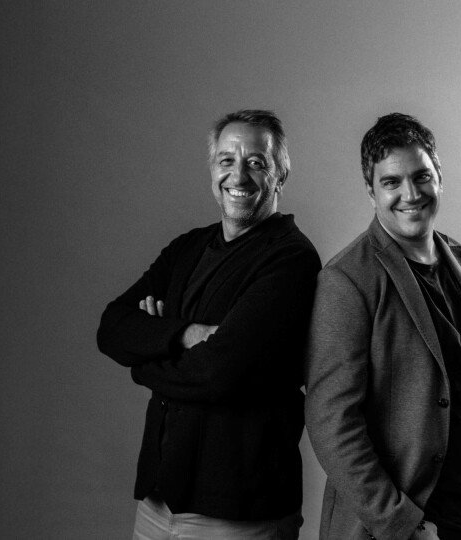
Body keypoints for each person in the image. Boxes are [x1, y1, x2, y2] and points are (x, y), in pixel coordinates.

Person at [305, 113, 461, 540]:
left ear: (440, 177)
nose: (411, 194)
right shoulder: (347, 281)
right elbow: (331, 422)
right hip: (411, 524)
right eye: (392, 182)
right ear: (371, 192)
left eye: (421, 176)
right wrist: (403, 523)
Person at [97, 110, 321, 540]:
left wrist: (144, 360)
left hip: (239, 513)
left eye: (256, 162)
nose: (238, 175)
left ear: (281, 174)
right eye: (226, 160)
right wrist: (187, 334)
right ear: (212, 170)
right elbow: (111, 327)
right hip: (158, 502)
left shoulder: (291, 259)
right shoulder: (188, 248)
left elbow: (220, 372)